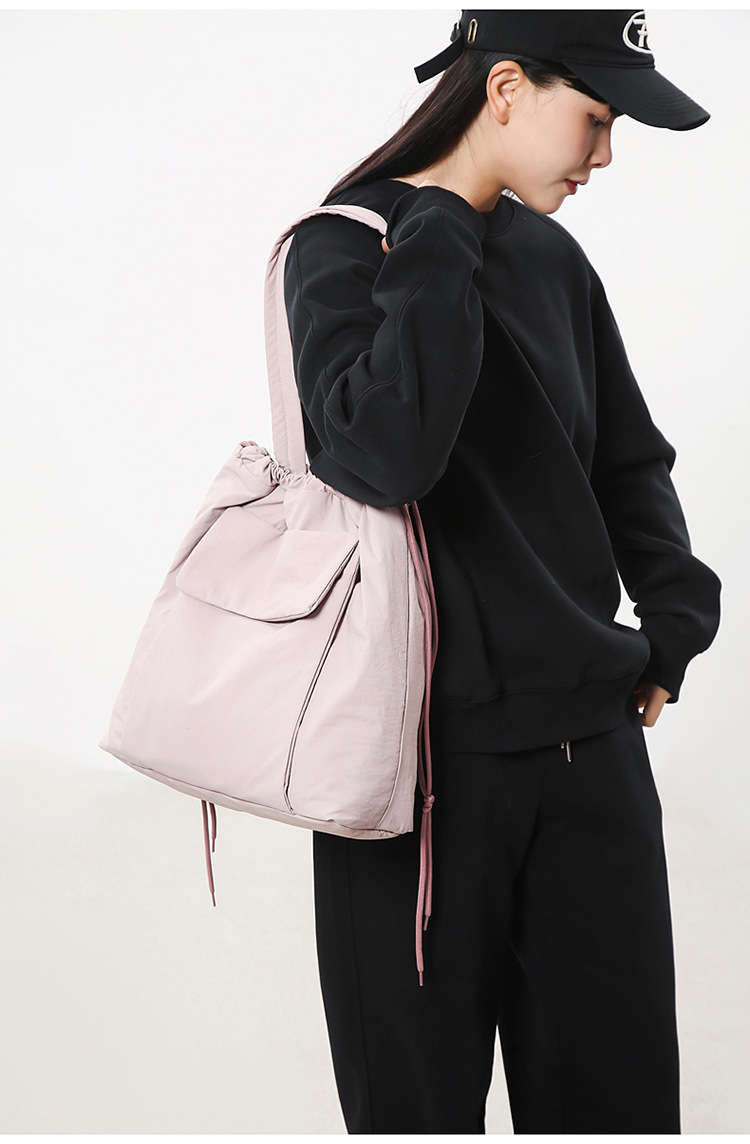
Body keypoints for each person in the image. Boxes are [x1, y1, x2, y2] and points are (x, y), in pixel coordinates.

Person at [282, 9, 722, 1135]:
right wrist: (439, 223)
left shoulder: (552, 257)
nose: (605, 156)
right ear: (509, 87)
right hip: (415, 780)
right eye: (597, 118)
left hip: (593, 765)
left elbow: (626, 460)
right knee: (415, 1114)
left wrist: (673, 619)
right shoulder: (343, 249)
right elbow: (387, 454)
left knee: (618, 1113)